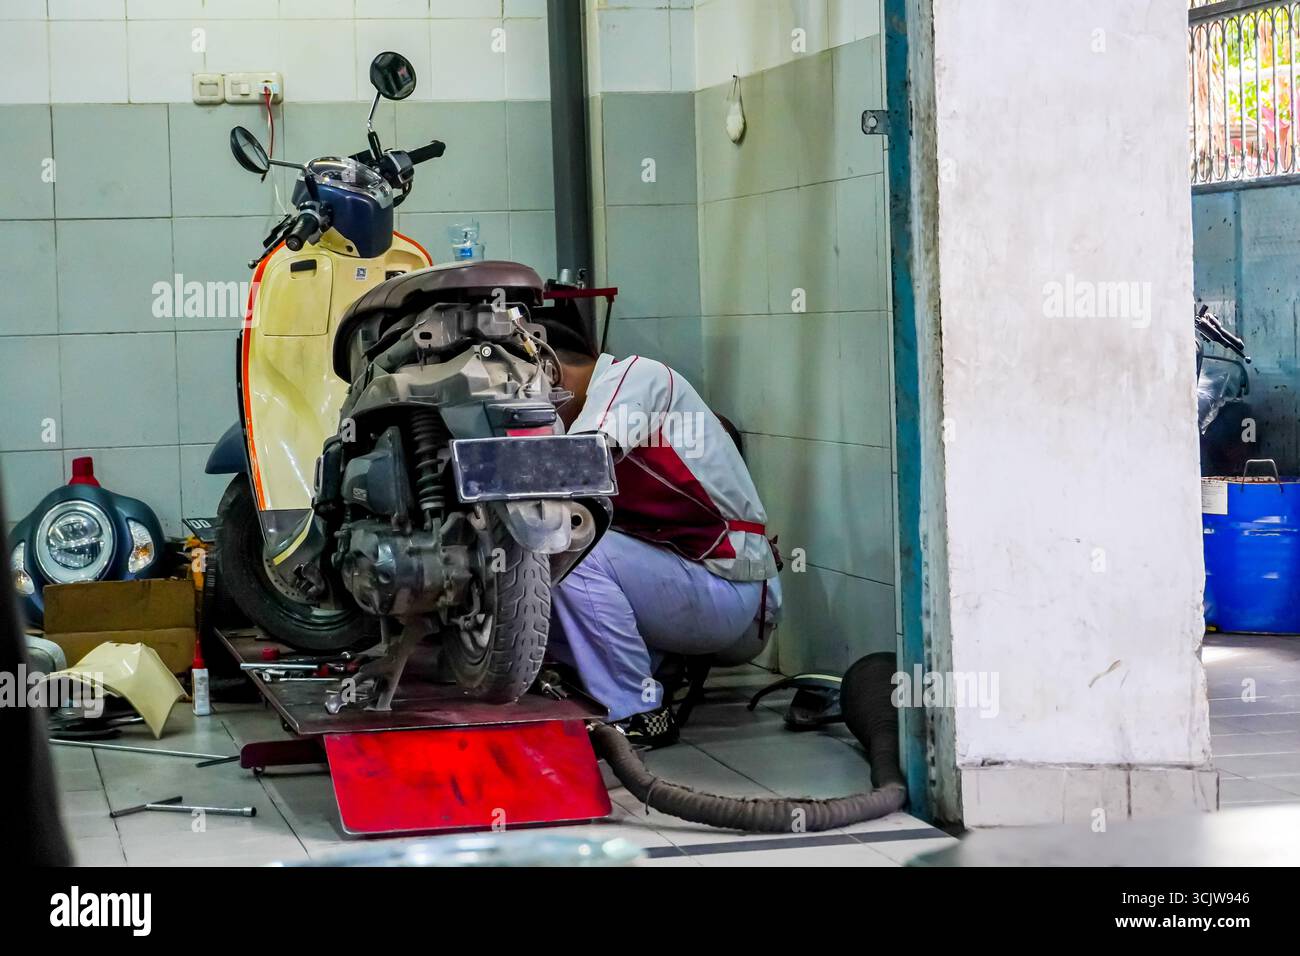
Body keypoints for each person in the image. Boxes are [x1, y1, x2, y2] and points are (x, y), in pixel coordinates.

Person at [537, 320, 781, 748]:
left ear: (552, 370)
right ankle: (600, 688)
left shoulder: (634, 377)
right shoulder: (578, 416)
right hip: (685, 586)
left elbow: (581, 464)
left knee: (569, 544)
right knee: (530, 562)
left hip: (731, 592)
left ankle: (638, 710)